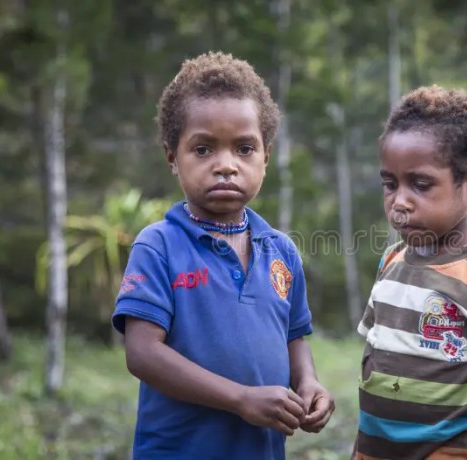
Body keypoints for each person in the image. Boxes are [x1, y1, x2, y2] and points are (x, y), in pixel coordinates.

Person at [111, 51, 335, 459]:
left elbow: (294, 336)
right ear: (171, 157)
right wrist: (240, 398)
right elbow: (142, 354)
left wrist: (308, 382)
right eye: (203, 149)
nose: (226, 165)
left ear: (266, 156)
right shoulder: (158, 245)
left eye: (244, 148)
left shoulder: (281, 251)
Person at [354, 85, 467, 460]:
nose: (399, 201)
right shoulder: (391, 261)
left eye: (420, 185)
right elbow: (374, 365)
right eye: (390, 184)